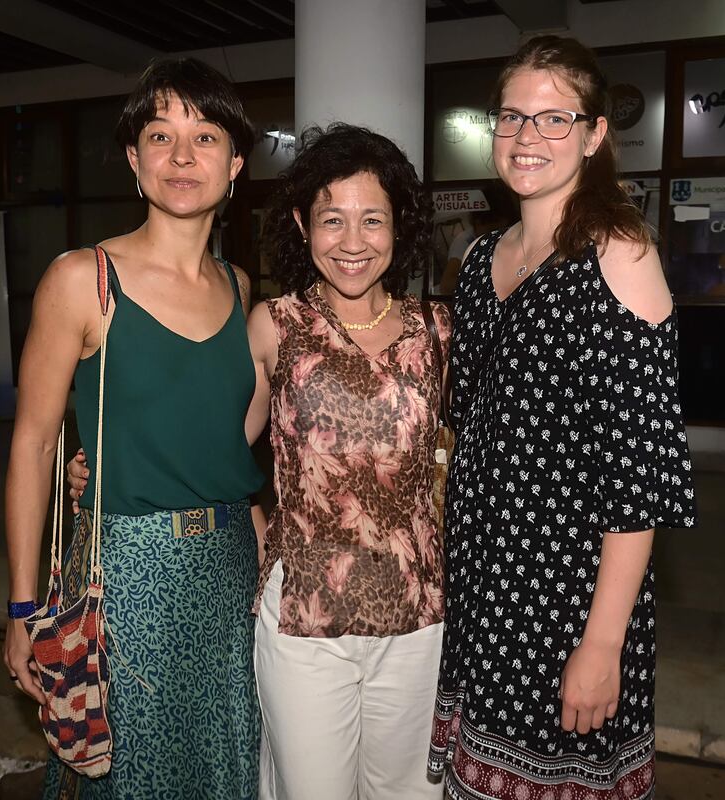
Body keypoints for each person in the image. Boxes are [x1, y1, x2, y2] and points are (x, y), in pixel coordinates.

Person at [430, 36, 697, 800]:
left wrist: (603, 643)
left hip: (571, 595)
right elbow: (472, 425)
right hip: (486, 587)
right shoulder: (482, 261)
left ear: (593, 134)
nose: (526, 139)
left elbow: (640, 474)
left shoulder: (619, 255)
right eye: (512, 118)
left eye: (554, 120)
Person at [3, 57, 263, 800]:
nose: (183, 157)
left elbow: (218, 431)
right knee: (132, 772)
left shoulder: (239, 285)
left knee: (226, 761)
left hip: (229, 569)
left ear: (236, 163)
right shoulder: (81, 279)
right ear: (134, 159)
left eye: (206, 137)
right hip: (125, 574)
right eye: (160, 135)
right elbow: (32, 443)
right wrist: (24, 607)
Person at [247, 123, 451, 799]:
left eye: (373, 219)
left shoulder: (437, 331)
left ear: (400, 226)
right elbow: (219, 446)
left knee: (409, 794)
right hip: (307, 615)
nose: (354, 242)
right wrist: (105, 466)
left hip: (419, 617)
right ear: (304, 225)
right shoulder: (275, 324)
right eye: (333, 220)